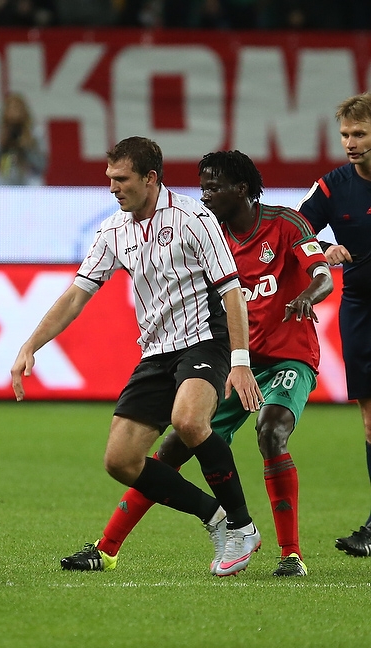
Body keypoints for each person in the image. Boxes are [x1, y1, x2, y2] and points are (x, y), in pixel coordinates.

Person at [61, 150, 332, 577]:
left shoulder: (285, 223)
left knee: (271, 431)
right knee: (173, 445)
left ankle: (291, 554)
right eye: (202, 187)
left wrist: (306, 296)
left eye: (213, 187)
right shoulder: (207, 231)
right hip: (234, 361)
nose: (204, 195)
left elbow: (323, 273)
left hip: (288, 356)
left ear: (241, 189)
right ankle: (107, 547)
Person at [11, 137, 264, 577]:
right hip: (155, 350)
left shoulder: (194, 218)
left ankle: (243, 527)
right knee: (121, 461)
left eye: (121, 178)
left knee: (189, 421)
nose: (112, 187)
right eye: (109, 178)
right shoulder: (112, 230)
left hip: (205, 339)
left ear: (150, 178)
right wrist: (30, 344)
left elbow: (232, 292)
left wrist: (240, 361)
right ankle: (217, 517)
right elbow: (76, 295)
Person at [298, 91, 371, 557]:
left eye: (359, 133)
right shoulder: (331, 187)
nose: (350, 142)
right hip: (360, 309)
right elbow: (296, 230)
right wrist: (324, 250)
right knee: (370, 421)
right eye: (345, 134)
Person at [0, 92, 48, 186]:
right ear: (4, 112)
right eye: (11, 108)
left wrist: (29, 147)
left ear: (25, 112)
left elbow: (42, 167)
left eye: (18, 108)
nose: (15, 112)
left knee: (37, 183)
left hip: (27, 181)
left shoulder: (35, 134)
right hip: (0, 182)